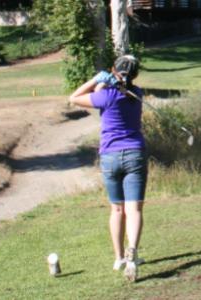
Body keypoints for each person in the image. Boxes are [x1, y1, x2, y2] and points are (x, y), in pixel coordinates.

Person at [68, 55, 146, 282]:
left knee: (117, 209)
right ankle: (133, 253)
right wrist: (112, 81)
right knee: (135, 210)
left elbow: (73, 98)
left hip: (110, 156)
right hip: (135, 153)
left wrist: (97, 80)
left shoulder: (106, 95)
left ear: (113, 71)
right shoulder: (137, 94)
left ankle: (119, 257)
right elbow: (126, 87)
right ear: (136, 74)